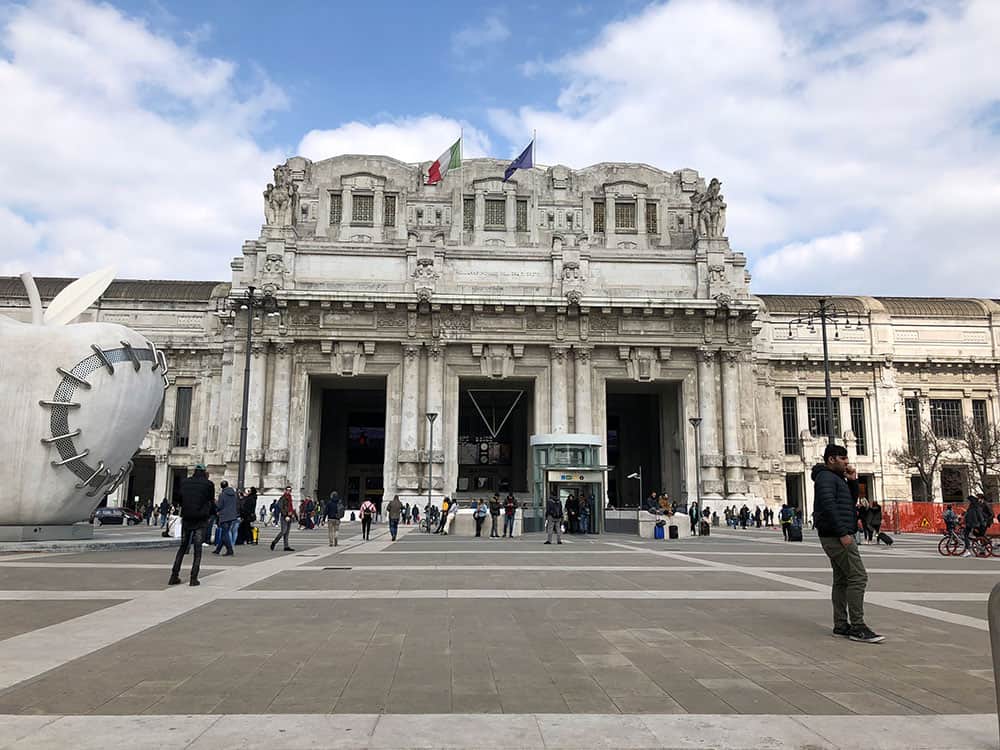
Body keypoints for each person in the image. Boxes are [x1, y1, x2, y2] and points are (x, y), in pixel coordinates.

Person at [812, 444, 883, 643]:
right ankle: (858, 626)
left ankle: (841, 624)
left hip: (837, 533)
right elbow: (828, 505)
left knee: (842, 579)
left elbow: (848, 503)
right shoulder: (826, 478)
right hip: (836, 536)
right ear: (831, 459)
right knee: (858, 577)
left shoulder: (836, 478)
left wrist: (853, 481)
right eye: (843, 458)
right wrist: (843, 533)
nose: (847, 462)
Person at [168, 465, 214, 586]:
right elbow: (210, 500)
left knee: (183, 547)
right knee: (197, 550)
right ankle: (193, 578)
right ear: (204, 472)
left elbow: (178, 498)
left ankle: (174, 575)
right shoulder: (208, 484)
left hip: (187, 518)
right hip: (200, 519)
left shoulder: (185, 482)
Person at [212, 480, 238, 556]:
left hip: (224, 516)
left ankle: (230, 550)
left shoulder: (222, 495)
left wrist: (216, 509)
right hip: (232, 515)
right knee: (224, 532)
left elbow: (220, 506)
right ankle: (218, 549)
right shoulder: (234, 494)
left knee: (225, 533)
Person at [270, 486, 297, 552]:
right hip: (284, 516)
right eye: (287, 490)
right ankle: (274, 542)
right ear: (285, 490)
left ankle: (286, 546)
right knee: (283, 531)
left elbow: (290, 507)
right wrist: (285, 515)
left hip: (289, 516)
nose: (289, 491)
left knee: (287, 532)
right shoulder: (283, 498)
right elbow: (280, 507)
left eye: (290, 490)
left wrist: (292, 514)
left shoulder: (290, 498)